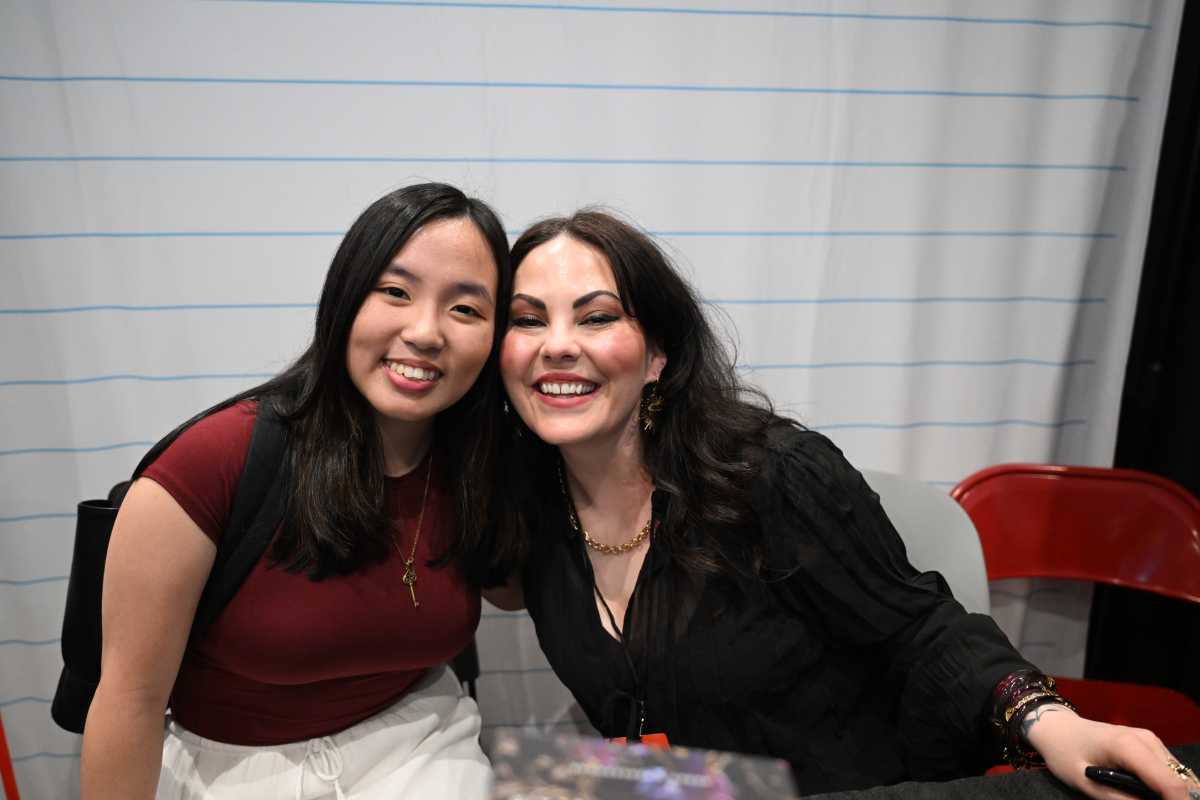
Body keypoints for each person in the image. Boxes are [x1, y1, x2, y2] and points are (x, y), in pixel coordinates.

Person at [491, 209, 1200, 798]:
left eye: (596, 317)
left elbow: (925, 632)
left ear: (657, 356)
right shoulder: (530, 510)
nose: (556, 345)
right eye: (527, 320)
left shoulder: (772, 474)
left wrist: (1047, 719)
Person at [81, 182, 517, 799]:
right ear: (344, 299)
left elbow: (516, 590)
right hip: (231, 770)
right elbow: (129, 698)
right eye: (394, 292)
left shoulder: (478, 463)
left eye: (466, 309)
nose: (425, 332)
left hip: (423, 748)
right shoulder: (214, 462)